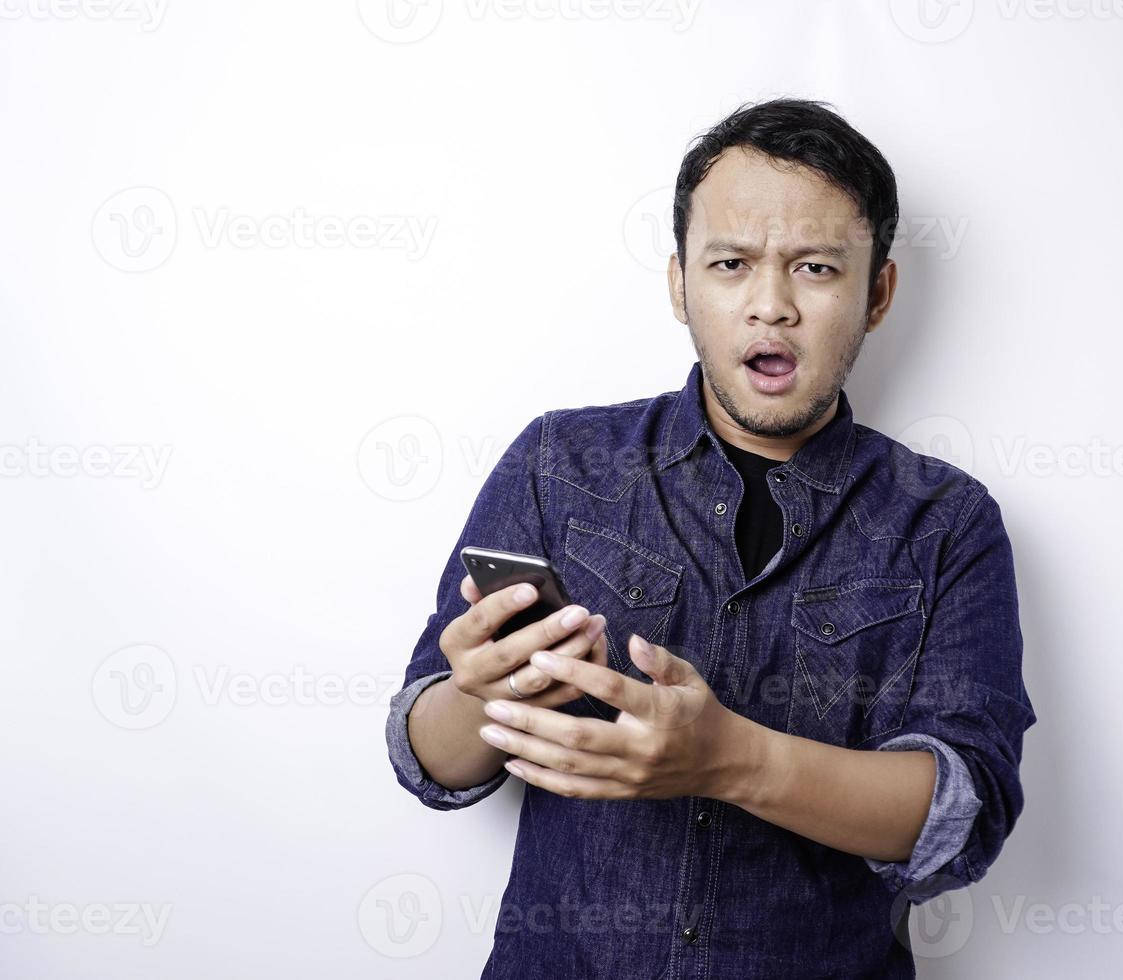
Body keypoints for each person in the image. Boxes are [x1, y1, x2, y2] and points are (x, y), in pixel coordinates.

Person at [384, 97, 1036, 979]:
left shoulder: (945, 522)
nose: (772, 307)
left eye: (815, 268)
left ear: (877, 292)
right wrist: (477, 693)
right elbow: (429, 760)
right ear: (679, 282)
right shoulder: (557, 461)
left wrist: (734, 761)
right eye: (731, 264)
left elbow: (964, 816)